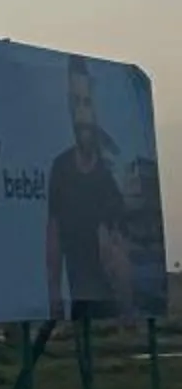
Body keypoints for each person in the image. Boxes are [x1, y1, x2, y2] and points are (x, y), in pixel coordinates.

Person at [46, 57, 137, 320]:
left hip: (112, 305)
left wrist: (128, 310)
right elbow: (53, 239)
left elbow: (122, 253)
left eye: (87, 103)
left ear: (96, 108)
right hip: (79, 304)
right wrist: (53, 295)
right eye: (76, 104)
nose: (82, 115)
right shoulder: (61, 169)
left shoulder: (110, 175)